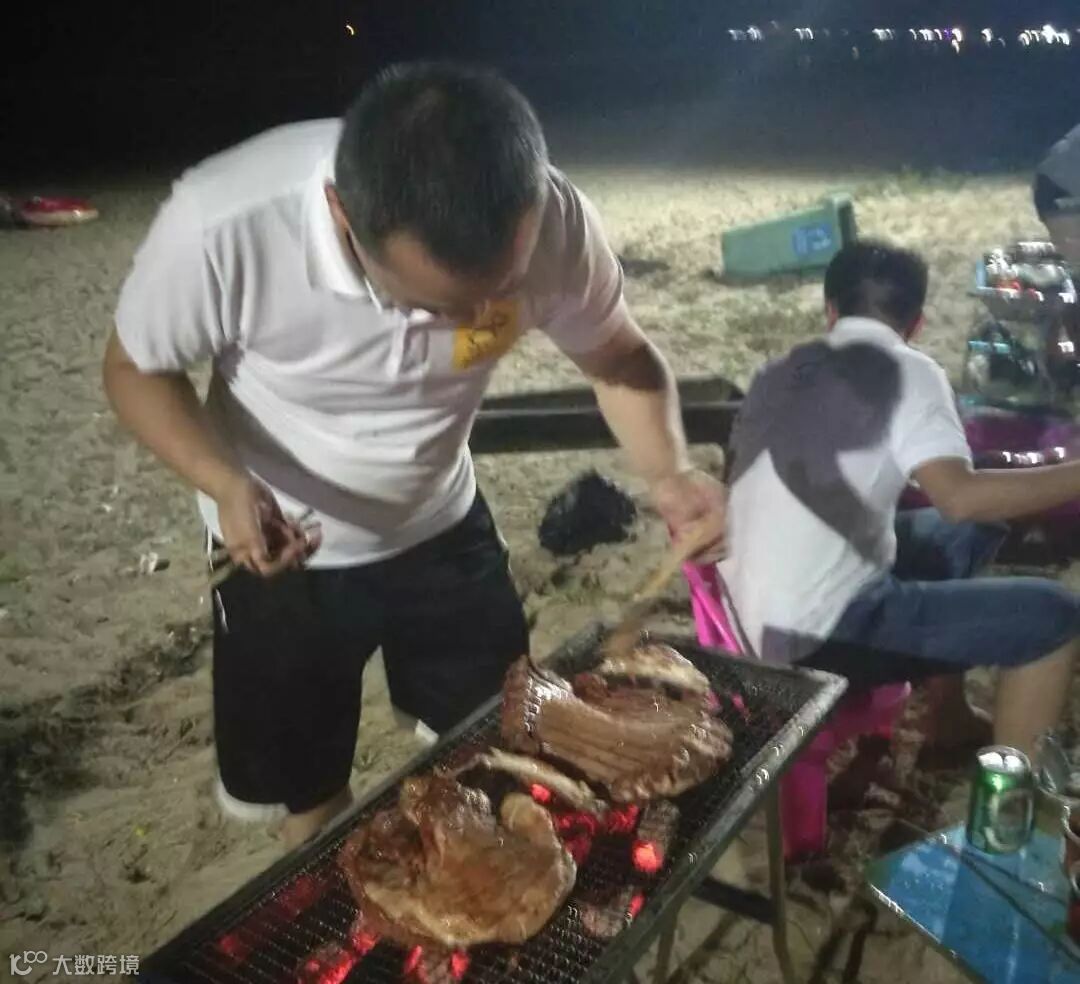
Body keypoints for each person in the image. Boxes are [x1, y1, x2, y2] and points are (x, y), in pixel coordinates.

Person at [103, 62, 725, 848]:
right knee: (310, 792)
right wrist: (224, 482)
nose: (476, 320)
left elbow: (617, 356)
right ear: (341, 212)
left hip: (442, 522)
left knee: (499, 741)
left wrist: (670, 473)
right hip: (281, 547)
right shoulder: (226, 222)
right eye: (437, 305)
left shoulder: (555, 221)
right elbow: (132, 369)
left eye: (500, 289)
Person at [720, 239, 1080, 761]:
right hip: (820, 635)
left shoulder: (780, 371)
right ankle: (1008, 798)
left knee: (965, 534)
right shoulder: (911, 372)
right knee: (1055, 616)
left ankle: (948, 718)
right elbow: (959, 497)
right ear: (917, 323)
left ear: (830, 311)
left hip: (741, 617)